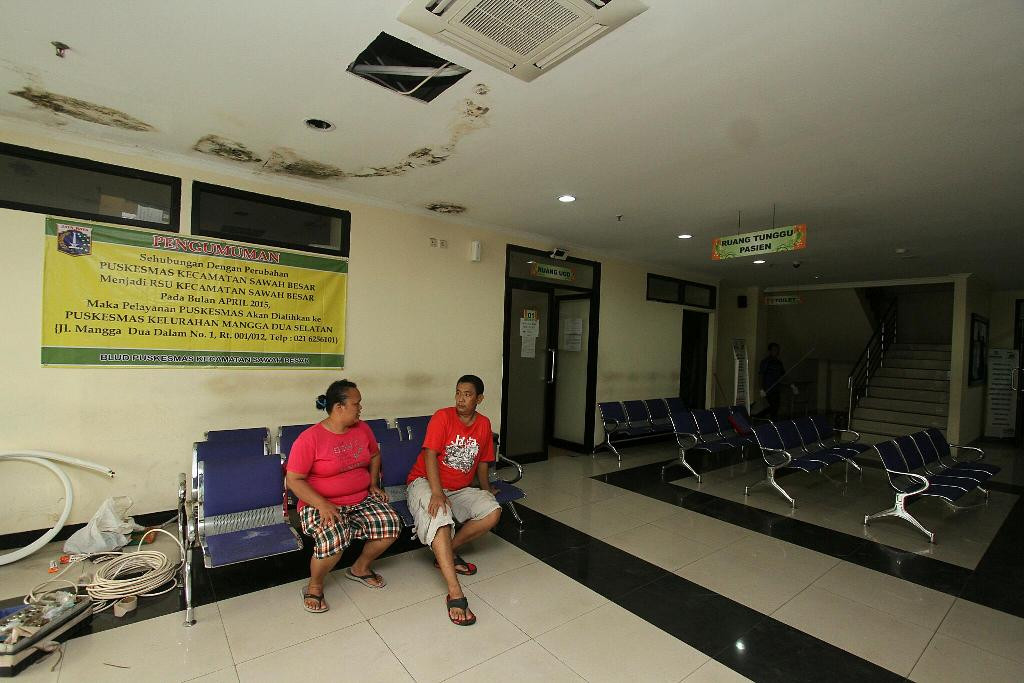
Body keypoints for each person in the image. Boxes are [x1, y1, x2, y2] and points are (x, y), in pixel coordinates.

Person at [286, 380, 402, 613]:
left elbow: (374, 455)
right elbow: (294, 480)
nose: (360, 408)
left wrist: (372, 484)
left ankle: (360, 568)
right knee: (334, 539)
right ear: (339, 407)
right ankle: (315, 585)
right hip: (319, 503)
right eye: (356, 404)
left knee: (391, 525)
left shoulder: (362, 429)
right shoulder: (310, 439)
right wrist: (322, 504)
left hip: (360, 497)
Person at [406, 374, 501, 626]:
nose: (461, 399)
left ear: (479, 398)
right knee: (440, 516)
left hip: (458, 489)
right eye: (458, 393)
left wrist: (486, 488)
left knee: (492, 511)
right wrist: (437, 492)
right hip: (425, 482)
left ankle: (445, 554)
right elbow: (429, 456)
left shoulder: (484, 424)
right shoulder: (443, 417)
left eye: (467, 394)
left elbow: (482, 462)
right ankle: (455, 592)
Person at [758, 342, 786, 419]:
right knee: (774, 406)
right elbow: (761, 375)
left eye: (777, 350)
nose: (776, 351)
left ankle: (760, 417)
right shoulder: (766, 362)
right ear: (770, 351)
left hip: (776, 388)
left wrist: (792, 385)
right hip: (768, 389)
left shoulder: (779, 363)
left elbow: (783, 375)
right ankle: (759, 417)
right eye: (774, 350)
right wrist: (761, 389)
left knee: (775, 407)